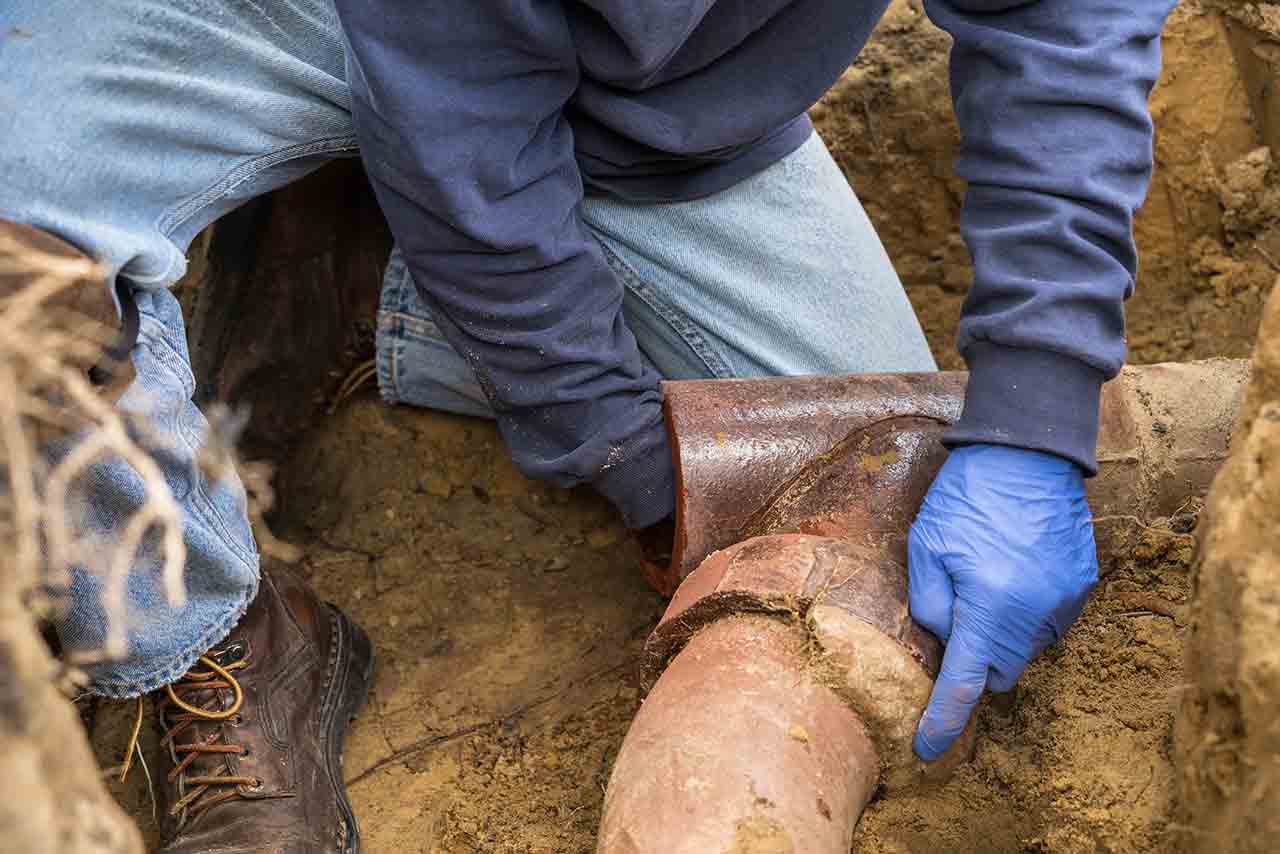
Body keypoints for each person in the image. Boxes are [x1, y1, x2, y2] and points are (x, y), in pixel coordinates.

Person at [0, 0, 1175, 850]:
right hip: (242, 18)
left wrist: (1034, 409)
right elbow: (467, 142)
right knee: (16, 242)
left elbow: (1065, 20)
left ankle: (359, 278)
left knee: (866, 482)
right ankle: (218, 635)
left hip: (645, 101)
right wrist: (632, 461)